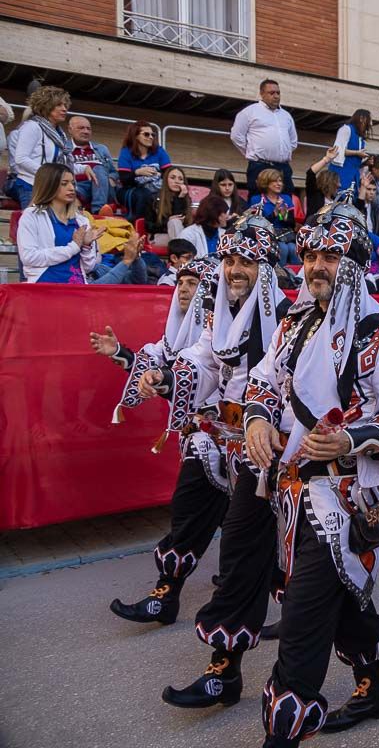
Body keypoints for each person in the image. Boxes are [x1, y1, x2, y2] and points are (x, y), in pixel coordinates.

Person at [234, 197, 379, 745]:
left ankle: (284, 727)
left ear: (357, 264)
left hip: (342, 500)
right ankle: (376, 687)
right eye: (312, 253)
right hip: (290, 493)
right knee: (343, 602)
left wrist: (349, 438)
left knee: (302, 617)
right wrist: (255, 420)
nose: (317, 265)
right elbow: (265, 380)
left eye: (332, 256)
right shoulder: (293, 324)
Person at [155, 210, 291, 709]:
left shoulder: (287, 319)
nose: (235, 269)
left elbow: (290, 384)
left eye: (246, 261)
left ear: (266, 267)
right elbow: (207, 362)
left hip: (271, 455)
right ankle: (232, 667)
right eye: (230, 258)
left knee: (240, 554)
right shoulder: (221, 311)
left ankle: (224, 669)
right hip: (231, 446)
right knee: (259, 557)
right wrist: (170, 380)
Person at [99, 258, 225, 625]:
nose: (184, 288)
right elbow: (157, 362)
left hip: (220, 444)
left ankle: (165, 596)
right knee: (235, 522)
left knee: (191, 516)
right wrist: (121, 354)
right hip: (199, 440)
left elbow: (183, 372)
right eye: (181, 282)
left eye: (193, 282)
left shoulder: (222, 334)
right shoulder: (177, 336)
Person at [17, 162, 101, 283]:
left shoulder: (82, 220)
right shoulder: (31, 215)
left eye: (73, 183)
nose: (72, 188)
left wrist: (86, 247)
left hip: (78, 288)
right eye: (64, 184)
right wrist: (73, 248)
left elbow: (88, 268)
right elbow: (29, 258)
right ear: (49, 185)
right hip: (45, 288)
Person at [231, 79, 298, 194]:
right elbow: (236, 136)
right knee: (258, 202)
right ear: (262, 94)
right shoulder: (249, 112)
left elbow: (293, 142)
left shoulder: (286, 116)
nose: (276, 96)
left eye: (278, 93)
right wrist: (252, 152)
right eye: (271, 93)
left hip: (283, 167)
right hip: (260, 166)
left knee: (286, 202)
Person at [11, 85, 72, 210]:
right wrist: (48, 173)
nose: (64, 109)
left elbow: (59, 162)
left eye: (65, 105)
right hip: (31, 186)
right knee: (33, 225)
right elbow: (21, 158)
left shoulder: (60, 134)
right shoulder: (32, 127)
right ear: (46, 107)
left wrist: (84, 168)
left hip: (52, 187)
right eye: (59, 105)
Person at [117, 120, 173, 222]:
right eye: (146, 134)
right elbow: (124, 179)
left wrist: (157, 174)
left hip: (156, 187)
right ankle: (139, 225)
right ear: (135, 136)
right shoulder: (126, 152)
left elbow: (169, 173)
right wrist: (137, 172)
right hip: (131, 189)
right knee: (144, 194)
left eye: (153, 134)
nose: (151, 137)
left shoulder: (159, 151)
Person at [66, 116, 117, 212]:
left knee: (98, 169)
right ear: (70, 130)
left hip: (101, 187)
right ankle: (98, 211)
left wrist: (110, 179)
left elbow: (113, 172)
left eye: (88, 129)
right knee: (73, 194)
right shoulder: (64, 148)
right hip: (77, 185)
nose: (86, 131)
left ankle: (98, 209)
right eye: (81, 128)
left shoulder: (101, 149)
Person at [250, 169, 300, 266]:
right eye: (275, 181)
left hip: (286, 234)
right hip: (268, 234)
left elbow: (291, 223)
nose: (279, 184)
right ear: (266, 183)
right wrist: (274, 213)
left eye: (280, 181)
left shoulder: (286, 198)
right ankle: (279, 276)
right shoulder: (257, 199)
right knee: (283, 249)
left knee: (293, 249)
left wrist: (283, 216)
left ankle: (297, 277)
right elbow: (258, 224)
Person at [331, 109, 371, 193]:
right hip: (341, 171)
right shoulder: (346, 129)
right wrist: (357, 153)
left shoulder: (360, 136)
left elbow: (355, 160)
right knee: (341, 196)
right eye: (369, 119)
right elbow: (338, 150)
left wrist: (365, 163)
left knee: (351, 198)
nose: (370, 123)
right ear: (361, 118)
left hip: (353, 174)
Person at [155, 166, 192, 241]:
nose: (177, 181)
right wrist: (168, 221)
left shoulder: (185, 199)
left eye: (180, 179)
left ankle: (181, 250)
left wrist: (180, 197)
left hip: (179, 234)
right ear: (166, 180)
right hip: (159, 235)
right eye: (173, 178)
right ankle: (182, 250)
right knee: (174, 222)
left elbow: (184, 222)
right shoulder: (155, 198)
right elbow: (149, 226)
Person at [304, 147, 341, 220]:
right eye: (337, 182)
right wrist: (326, 159)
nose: (339, 185)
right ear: (329, 182)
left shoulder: (337, 199)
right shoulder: (315, 194)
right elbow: (310, 173)